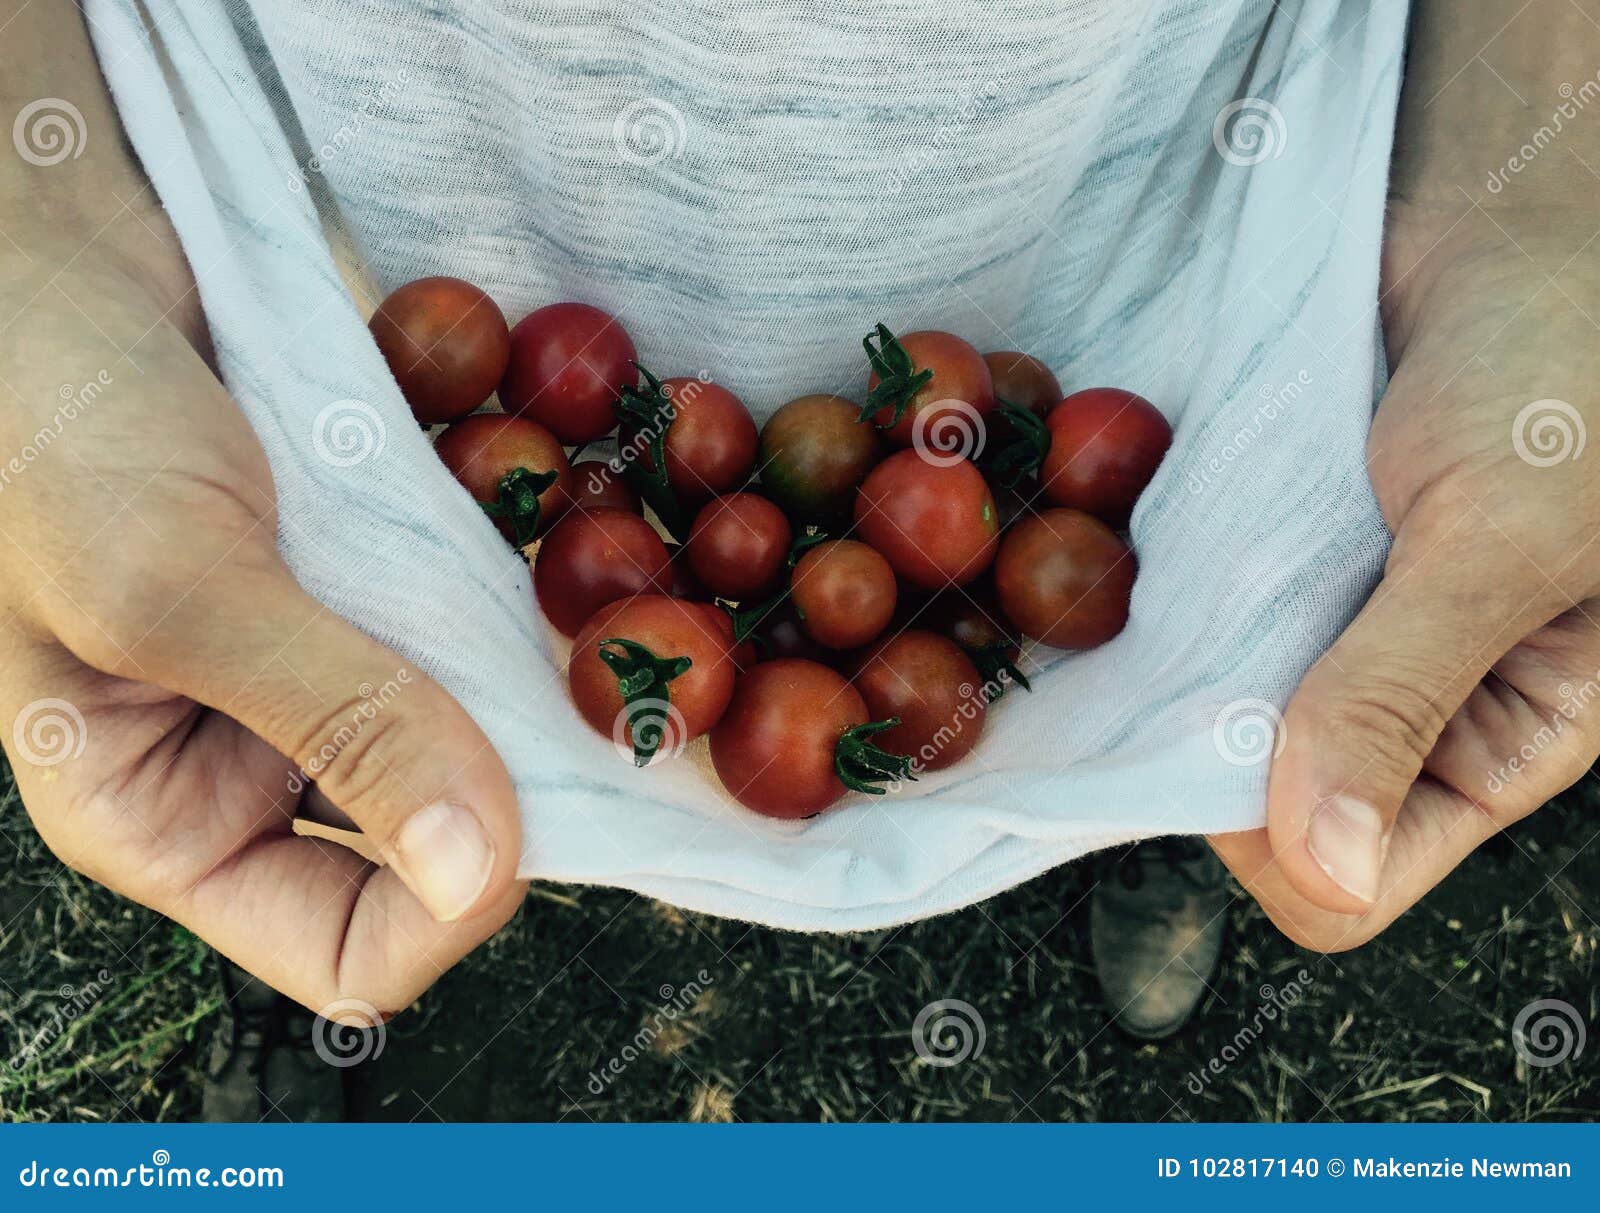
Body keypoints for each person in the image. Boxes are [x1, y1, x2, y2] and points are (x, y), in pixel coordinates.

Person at [2, 0, 1596, 1102]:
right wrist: (38, 220)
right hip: (321, 288)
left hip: (1188, 229)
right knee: (331, 698)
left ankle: (1157, 811)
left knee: (1209, 653)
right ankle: (348, 861)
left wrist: (1518, 187)